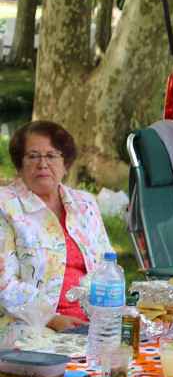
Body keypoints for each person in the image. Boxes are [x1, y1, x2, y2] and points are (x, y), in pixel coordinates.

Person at [0, 121, 113, 332]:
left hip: (92, 323)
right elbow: (4, 284)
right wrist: (51, 319)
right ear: (19, 164)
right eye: (33, 156)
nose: (43, 164)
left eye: (51, 156)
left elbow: (108, 266)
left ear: (65, 163)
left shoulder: (85, 204)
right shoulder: (5, 206)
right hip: (29, 325)